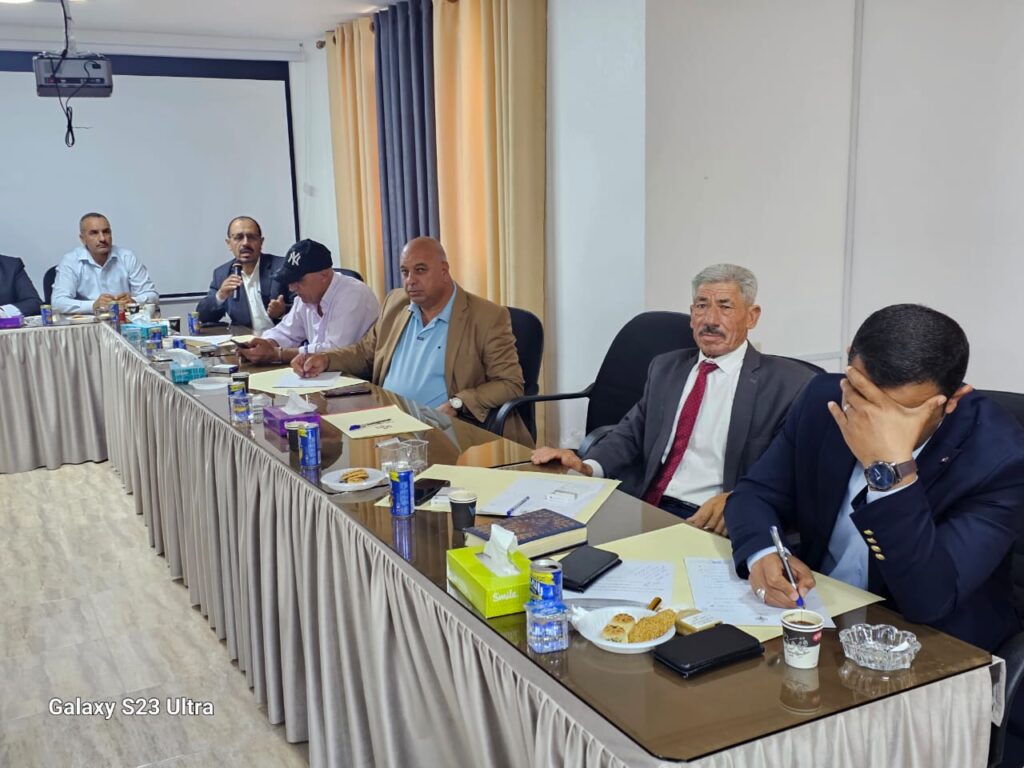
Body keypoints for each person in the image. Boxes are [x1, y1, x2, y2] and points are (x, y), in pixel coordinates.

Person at [726, 304, 1024, 652]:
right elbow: (755, 493)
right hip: (823, 611)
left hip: (934, 642)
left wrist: (892, 471)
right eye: (864, 397)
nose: (874, 421)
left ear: (953, 400)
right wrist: (762, 553)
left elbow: (929, 600)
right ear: (851, 368)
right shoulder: (824, 398)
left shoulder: (1001, 459)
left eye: (903, 412)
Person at [531, 264, 816, 534]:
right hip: (645, 504)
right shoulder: (666, 367)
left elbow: (789, 473)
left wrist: (742, 498)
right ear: (692, 315)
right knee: (547, 537)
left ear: (752, 316)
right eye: (701, 306)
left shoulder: (789, 384)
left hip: (709, 518)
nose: (710, 320)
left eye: (725, 307)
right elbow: (630, 433)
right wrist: (586, 466)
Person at [294, 236, 531, 445]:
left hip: (446, 432)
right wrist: (325, 359)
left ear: (444, 270)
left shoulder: (487, 316)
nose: (410, 281)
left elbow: (510, 383)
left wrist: (458, 403)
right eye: (405, 272)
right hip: (385, 425)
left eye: (420, 270)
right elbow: (364, 353)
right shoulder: (396, 303)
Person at [237, 239, 379, 365]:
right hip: (320, 375)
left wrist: (278, 354)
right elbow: (286, 332)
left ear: (324, 275)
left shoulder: (353, 294)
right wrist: (262, 345)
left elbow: (334, 351)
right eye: (290, 281)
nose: (292, 288)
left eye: (298, 280)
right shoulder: (305, 298)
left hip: (358, 378)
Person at [194, 216, 290, 332]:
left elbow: (306, 307)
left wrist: (283, 312)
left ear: (261, 242)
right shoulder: (222, 274)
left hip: (282, 339)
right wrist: (220, 296)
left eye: (251, 237)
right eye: (238, 237)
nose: (245, 243)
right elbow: (202, 316)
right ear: (229, 244)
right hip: (246, 340)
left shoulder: (282, 267)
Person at [51, 213, 158, 314]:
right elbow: (58, 303)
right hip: (89, 322)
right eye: (94, 233)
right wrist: (93, 305)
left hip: (125, 319)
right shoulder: (71, 261)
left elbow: (152, 295)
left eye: (106, 232)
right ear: (83, 239)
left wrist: (134, 301)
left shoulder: (127, 257)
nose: (102, 238)